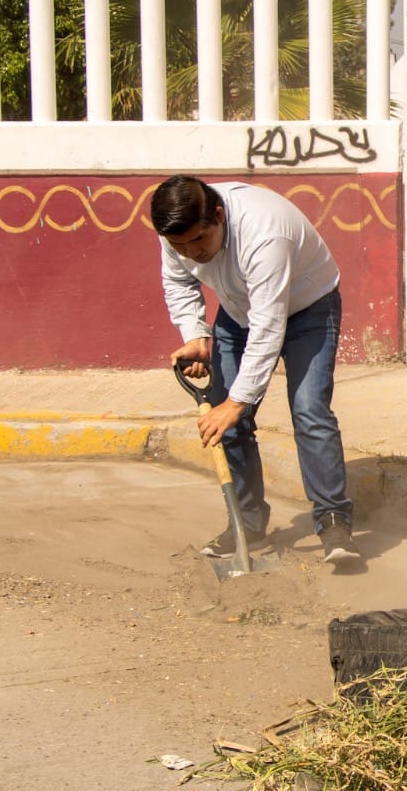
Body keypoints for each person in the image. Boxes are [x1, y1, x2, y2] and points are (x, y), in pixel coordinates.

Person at [151, 174, 359, 564]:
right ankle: (247, 523)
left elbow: (268, 326)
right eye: (181, 244)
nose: (192, 252)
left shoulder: (264, 233)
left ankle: (333, 521)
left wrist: (238, 401)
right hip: (238, 308)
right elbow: (178, 283)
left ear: (218, 216)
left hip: (307, 305)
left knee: (309, 410)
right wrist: (197, 334)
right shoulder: (175, 232)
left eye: (200, 240)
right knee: (224, 419)